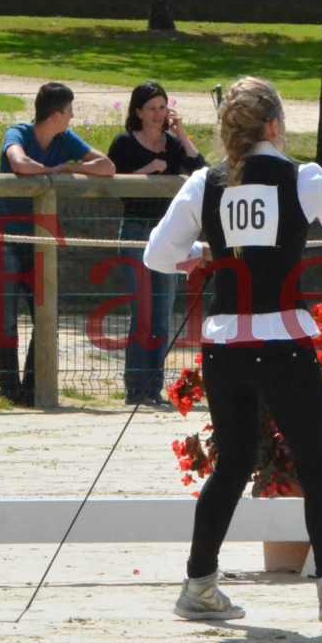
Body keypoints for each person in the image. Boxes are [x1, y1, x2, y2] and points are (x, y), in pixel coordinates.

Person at [144, 76, 322, 631]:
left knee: (233, 465)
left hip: (225, 347)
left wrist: (197, 254)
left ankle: (198, 584)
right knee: (317, 465)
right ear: (273, 126)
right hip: (284, 342)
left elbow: (157, 254)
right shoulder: (301, 178)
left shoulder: (204, 182)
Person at [0, 82, 115, 406]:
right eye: (70, 111)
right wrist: (50, 171)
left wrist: (71, 166)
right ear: (56, 114)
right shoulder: (18, 132)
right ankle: (8, 390)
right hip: (7, 238)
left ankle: (32, 388)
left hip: (40, 240)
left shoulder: (64, 140)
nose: (72, 117)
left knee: (47, 317)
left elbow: (107, 166)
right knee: (6, 318)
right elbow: (18, 162)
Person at [106, 82, 208, 407]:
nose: (157, 114)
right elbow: (116, 187)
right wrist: (146, 171)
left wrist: (182, 136)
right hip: (136, 230)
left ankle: (154, 389)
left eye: (162, 108)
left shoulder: (172, 144)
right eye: (151, 108)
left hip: (168, 234)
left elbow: (201, 171)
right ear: (137, 111)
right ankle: (135, 389)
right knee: (143, 313)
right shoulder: (123, 143)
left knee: (162, 314)